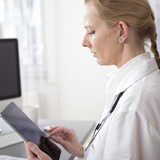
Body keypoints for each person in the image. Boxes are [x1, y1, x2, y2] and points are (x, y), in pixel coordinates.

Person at [25, 0, 160, 159]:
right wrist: (83, 151)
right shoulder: (138, 85)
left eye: (91, 31)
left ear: (121, 31)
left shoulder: (132, 108)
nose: (84, 42)